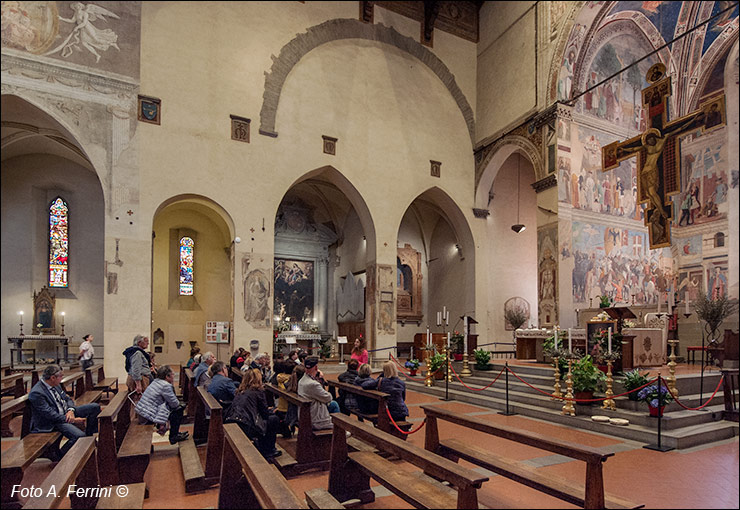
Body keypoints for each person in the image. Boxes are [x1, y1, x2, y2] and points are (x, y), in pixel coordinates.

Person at [28, 364, 101, 459]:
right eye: (61, 376)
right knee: (79, 436)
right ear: (53, 377)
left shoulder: (55, 385)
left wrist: (70, 410)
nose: (62, 378)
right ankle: (60, 456)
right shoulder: (37, 393)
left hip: (65, 412)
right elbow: (49, 414)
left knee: (94, 407)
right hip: (52, 422)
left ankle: (89, 437)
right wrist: (72, 420)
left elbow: (68, 399)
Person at [224, 368, 281, 458]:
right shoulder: (258, 392)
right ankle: (269, 450)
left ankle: (264, 446)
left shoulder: (239, 391)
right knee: (273, 419)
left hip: (233, 421)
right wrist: (272, 410)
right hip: (247, 424)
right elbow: (264, 414)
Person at [135, 365, 189, 444]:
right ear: (167, 376)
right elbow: (174, 404)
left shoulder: (156, 381)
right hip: (146, 416)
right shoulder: (165, 386)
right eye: (173, 374)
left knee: (175, 408)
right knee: (179, 410)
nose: (174, 377)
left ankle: (174, 433)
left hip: (143, 412)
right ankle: (174, 436)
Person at [297, 356, 339, 430]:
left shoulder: (302, 380)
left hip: (305, 414)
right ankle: (339, 426)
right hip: (316, 420)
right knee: (344, 431)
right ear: (316, 368)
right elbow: (328, 398)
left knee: (334, 404)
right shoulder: (313, 384)